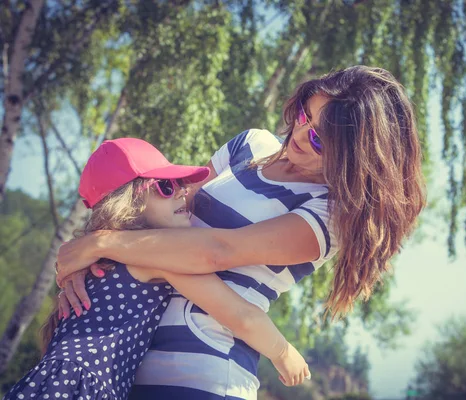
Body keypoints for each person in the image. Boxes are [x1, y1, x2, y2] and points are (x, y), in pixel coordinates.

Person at [56, 65, 427, 399]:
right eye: (304, 114)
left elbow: (216, 250)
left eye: (319, 139)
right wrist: (92, 272)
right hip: (124, 355)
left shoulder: (328, 215)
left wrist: (100, 244)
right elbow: (162, 213)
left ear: (353, 154)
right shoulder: (248, 145)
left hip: (205, 375)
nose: (300, 133)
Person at [3, 138, 309, 400]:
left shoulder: (100, 258)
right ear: (127, 203)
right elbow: (240, 315)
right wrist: (283, 353)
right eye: (165, 186)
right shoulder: (151, 259)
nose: (183, 192)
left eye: (179, 183)